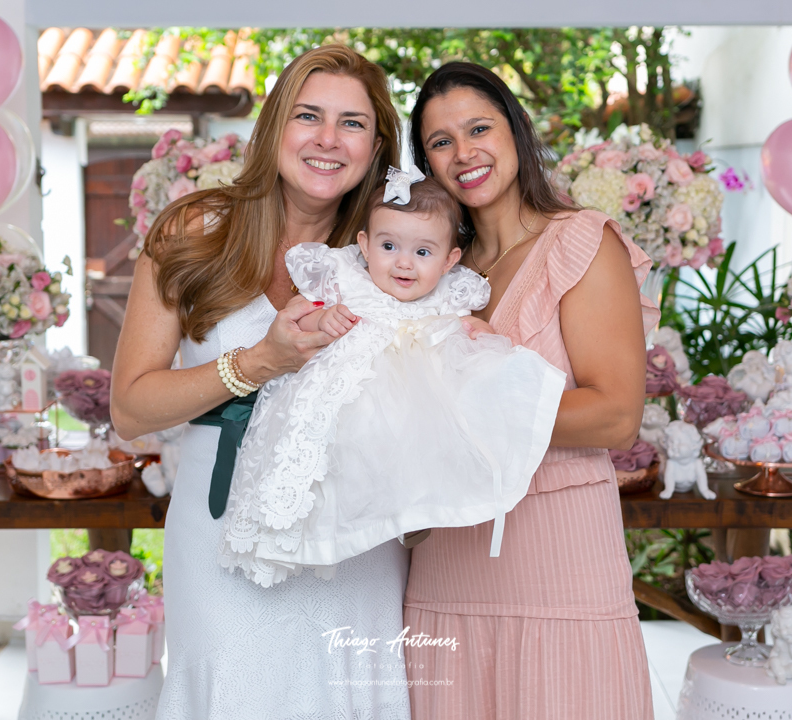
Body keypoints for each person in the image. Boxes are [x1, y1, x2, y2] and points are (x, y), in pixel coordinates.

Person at [110, 46, 411, 719]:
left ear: (377, 145)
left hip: (352, 545)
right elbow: (130, 409)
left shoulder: (393, 254)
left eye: (353, 123)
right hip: (220, 542)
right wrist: (254, 364)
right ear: (274, 125)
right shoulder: (197, 232)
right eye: (309, 115)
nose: (328, 140)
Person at [403, 62, 659, 719]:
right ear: (425, 164)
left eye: (478, 128)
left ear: (515, 131)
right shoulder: (430, 273)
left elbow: (615, 416)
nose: (464, 153)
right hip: (446, 565)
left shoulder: (580, 243)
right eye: (440, 142)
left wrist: (459, 411)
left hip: (560, 565)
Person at [219, 173, 565, 587]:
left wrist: (483, 334)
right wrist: (322, 317)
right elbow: (303, 320)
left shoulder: (449, 295)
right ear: (364, 245)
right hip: (351, 400)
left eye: (422, 251)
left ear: (450, 260)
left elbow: (466, 331)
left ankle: (417, 512)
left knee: (435, 436)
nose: (403, 262)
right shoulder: (349, 280)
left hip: (415, 409)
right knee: (334, 454)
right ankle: (318, 528)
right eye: (388, 247)